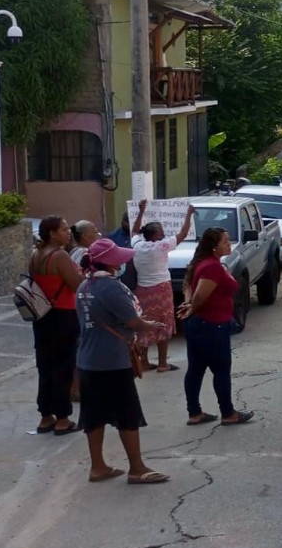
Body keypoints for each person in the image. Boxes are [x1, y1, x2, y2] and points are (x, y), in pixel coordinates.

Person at [76, 239, 170, 484]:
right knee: (127, 414)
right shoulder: (111, 287)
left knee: (93, 415)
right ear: (109, 262)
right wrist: (148, 325)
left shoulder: (84, 285)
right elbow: (131, 320)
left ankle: (98, 466)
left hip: (88, 359)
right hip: (112, 359)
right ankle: (137, 468)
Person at [177, 227, 254, 427]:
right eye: (225, 241)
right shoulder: (211, 267)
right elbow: (201, 294)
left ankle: (194, 412)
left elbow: (188, 285)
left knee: (195, 369)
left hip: (202, 323)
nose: (229, 244)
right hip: (212, 325)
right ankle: (228, 413)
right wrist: (193, 306)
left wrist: (190, 305)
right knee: (220, 370)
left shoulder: (204, 263)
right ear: (214, 246)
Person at [31, 216, 83, 435]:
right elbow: (76, 284)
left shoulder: (35, 255)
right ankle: (63, 418)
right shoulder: (60, 255)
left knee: (45, 365)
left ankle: (46, 416)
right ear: (52, 233)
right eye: (63, 229)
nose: (68, 232)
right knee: (63, 365)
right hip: (63, 314)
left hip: (41, 314)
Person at [131, 199, 194, 372]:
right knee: (164, 324)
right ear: (156, 235)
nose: (164, 234)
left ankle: (143, 360)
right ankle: (162, 363)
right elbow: (182, 233)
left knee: (144, 324)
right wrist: (188, 214)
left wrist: (141, 211)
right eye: (161, 232)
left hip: (143, 290)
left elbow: (134, 230)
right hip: (162, 289)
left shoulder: (137, 245)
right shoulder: (162, 246)